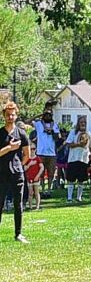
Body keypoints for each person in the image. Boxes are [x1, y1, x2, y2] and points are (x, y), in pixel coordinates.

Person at [0, 99, 30, 243]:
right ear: (3, 115)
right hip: (1, 173)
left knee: (18, 204)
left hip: (17, 174)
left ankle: (18, 234)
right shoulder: (0, 134)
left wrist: (19, 166)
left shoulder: (22, 134)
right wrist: (9, 148)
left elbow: (27, 154)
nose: (10, 117)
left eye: (13, 115)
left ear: (16, 115)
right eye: (8, 115)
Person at [63, 118, 91, 202]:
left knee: (81, 180)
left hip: (83, 159)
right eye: (81, 122)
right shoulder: (73, 132)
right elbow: (68, 144)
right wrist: (79, 144)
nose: (83, 124)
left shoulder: (88, 133)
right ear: (78, 123)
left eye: (84, 122)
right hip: (73, 159)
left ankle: (79, 197)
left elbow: (90, 146)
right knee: (71, 179)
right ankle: (69, 197)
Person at [33, 107, 59, 193]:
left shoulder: (54, 125)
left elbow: (57, 138)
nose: (47, 116)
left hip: (51, 153)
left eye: (49, 115)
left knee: (51, 173)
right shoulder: (38, 124)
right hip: (41, 152)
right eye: (46, 114)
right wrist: (39, 115)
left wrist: (52, 132)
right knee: (41, 172)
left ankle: (49, 189)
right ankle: (43, 189)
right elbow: (27, 121)